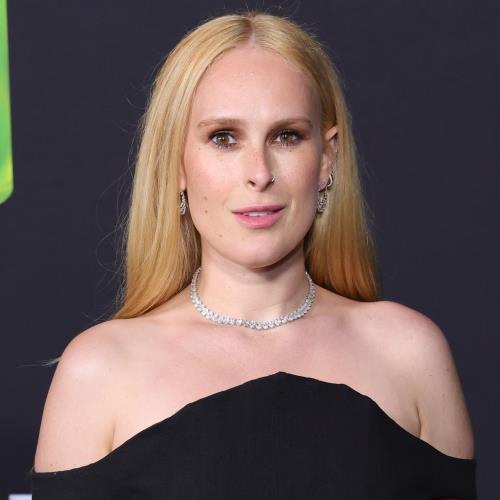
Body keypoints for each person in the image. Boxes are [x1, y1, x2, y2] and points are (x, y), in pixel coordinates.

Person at [28, 9, 477, 499]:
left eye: (286, 136)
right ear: (176, 163)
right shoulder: (100, 371)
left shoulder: (409, 355)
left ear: (326, 159)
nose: (259, 173)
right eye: (224, 138)